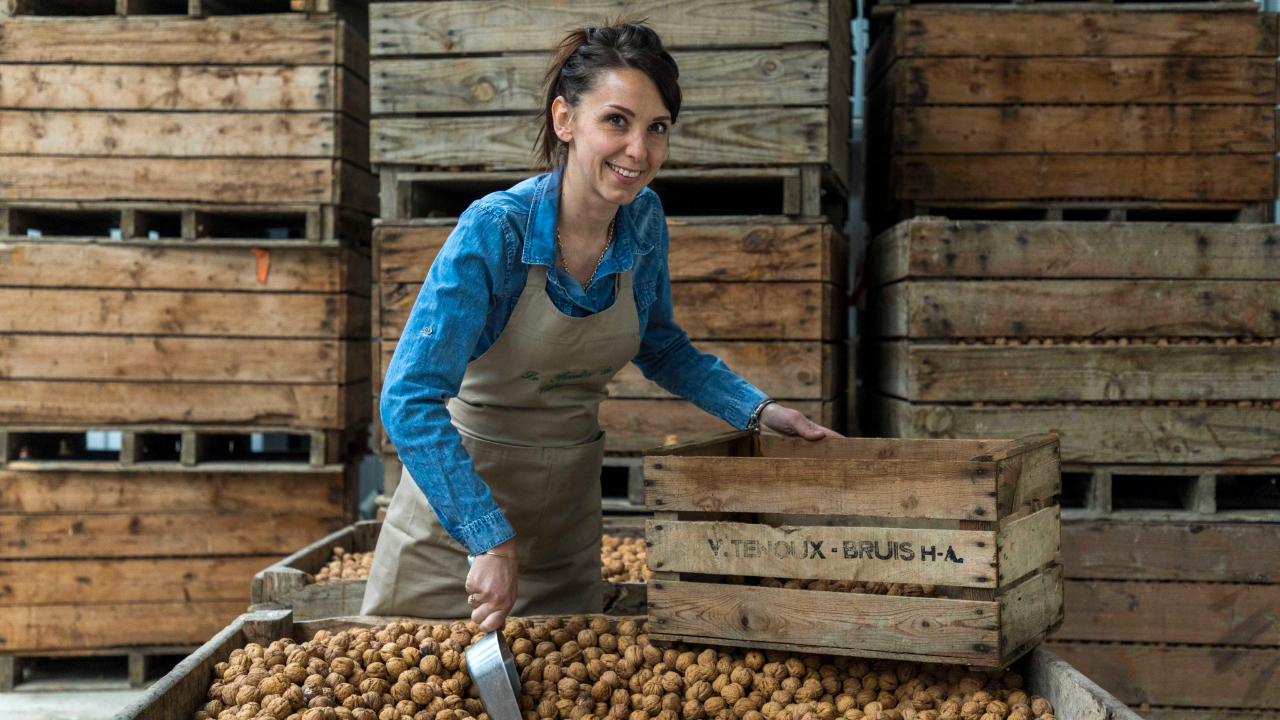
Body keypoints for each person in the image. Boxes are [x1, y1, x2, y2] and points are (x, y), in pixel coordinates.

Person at [362, 19, 843, 631]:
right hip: (453, 541)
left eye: (657, 128)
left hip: (565, 535)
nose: (638, 151)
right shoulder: (496, 232)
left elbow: (661, 347)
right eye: (616, 121)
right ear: (566, 121)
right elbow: (408, 398)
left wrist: (759, 411)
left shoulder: (642, 224)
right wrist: (487, 538)